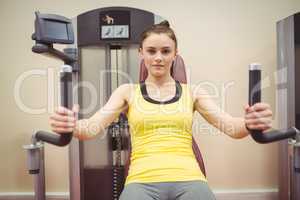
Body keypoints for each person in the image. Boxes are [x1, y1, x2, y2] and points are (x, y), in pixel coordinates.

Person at [49, 21, 273, 200]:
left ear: (175, 54)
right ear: (141, 53)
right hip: (141, 180)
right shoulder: (127, 92)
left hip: (189, 178)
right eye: (151, 51)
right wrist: (71, 125)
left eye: (166, 51)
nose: (158, 57)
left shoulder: (192, 92)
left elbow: (232, 128)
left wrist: (250, 122)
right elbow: (89, 129)